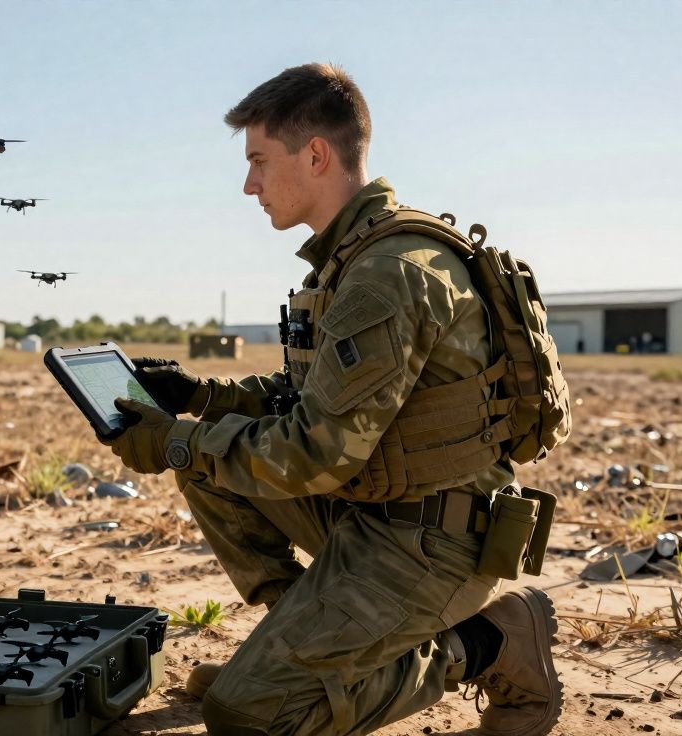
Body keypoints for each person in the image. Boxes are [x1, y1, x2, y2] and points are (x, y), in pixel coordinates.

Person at [100, 64, 563, 736]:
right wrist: (201, 396)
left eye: (259, 161)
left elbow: (314, 452)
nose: (249, 184)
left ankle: (490, 644)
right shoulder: (355, 255)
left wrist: (172, 440)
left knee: (247, 715)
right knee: (209, 466)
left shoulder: (384, 275)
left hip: (433, 540)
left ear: (315, 154)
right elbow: (309, 401)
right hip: (375, 509)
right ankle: (296, 650)